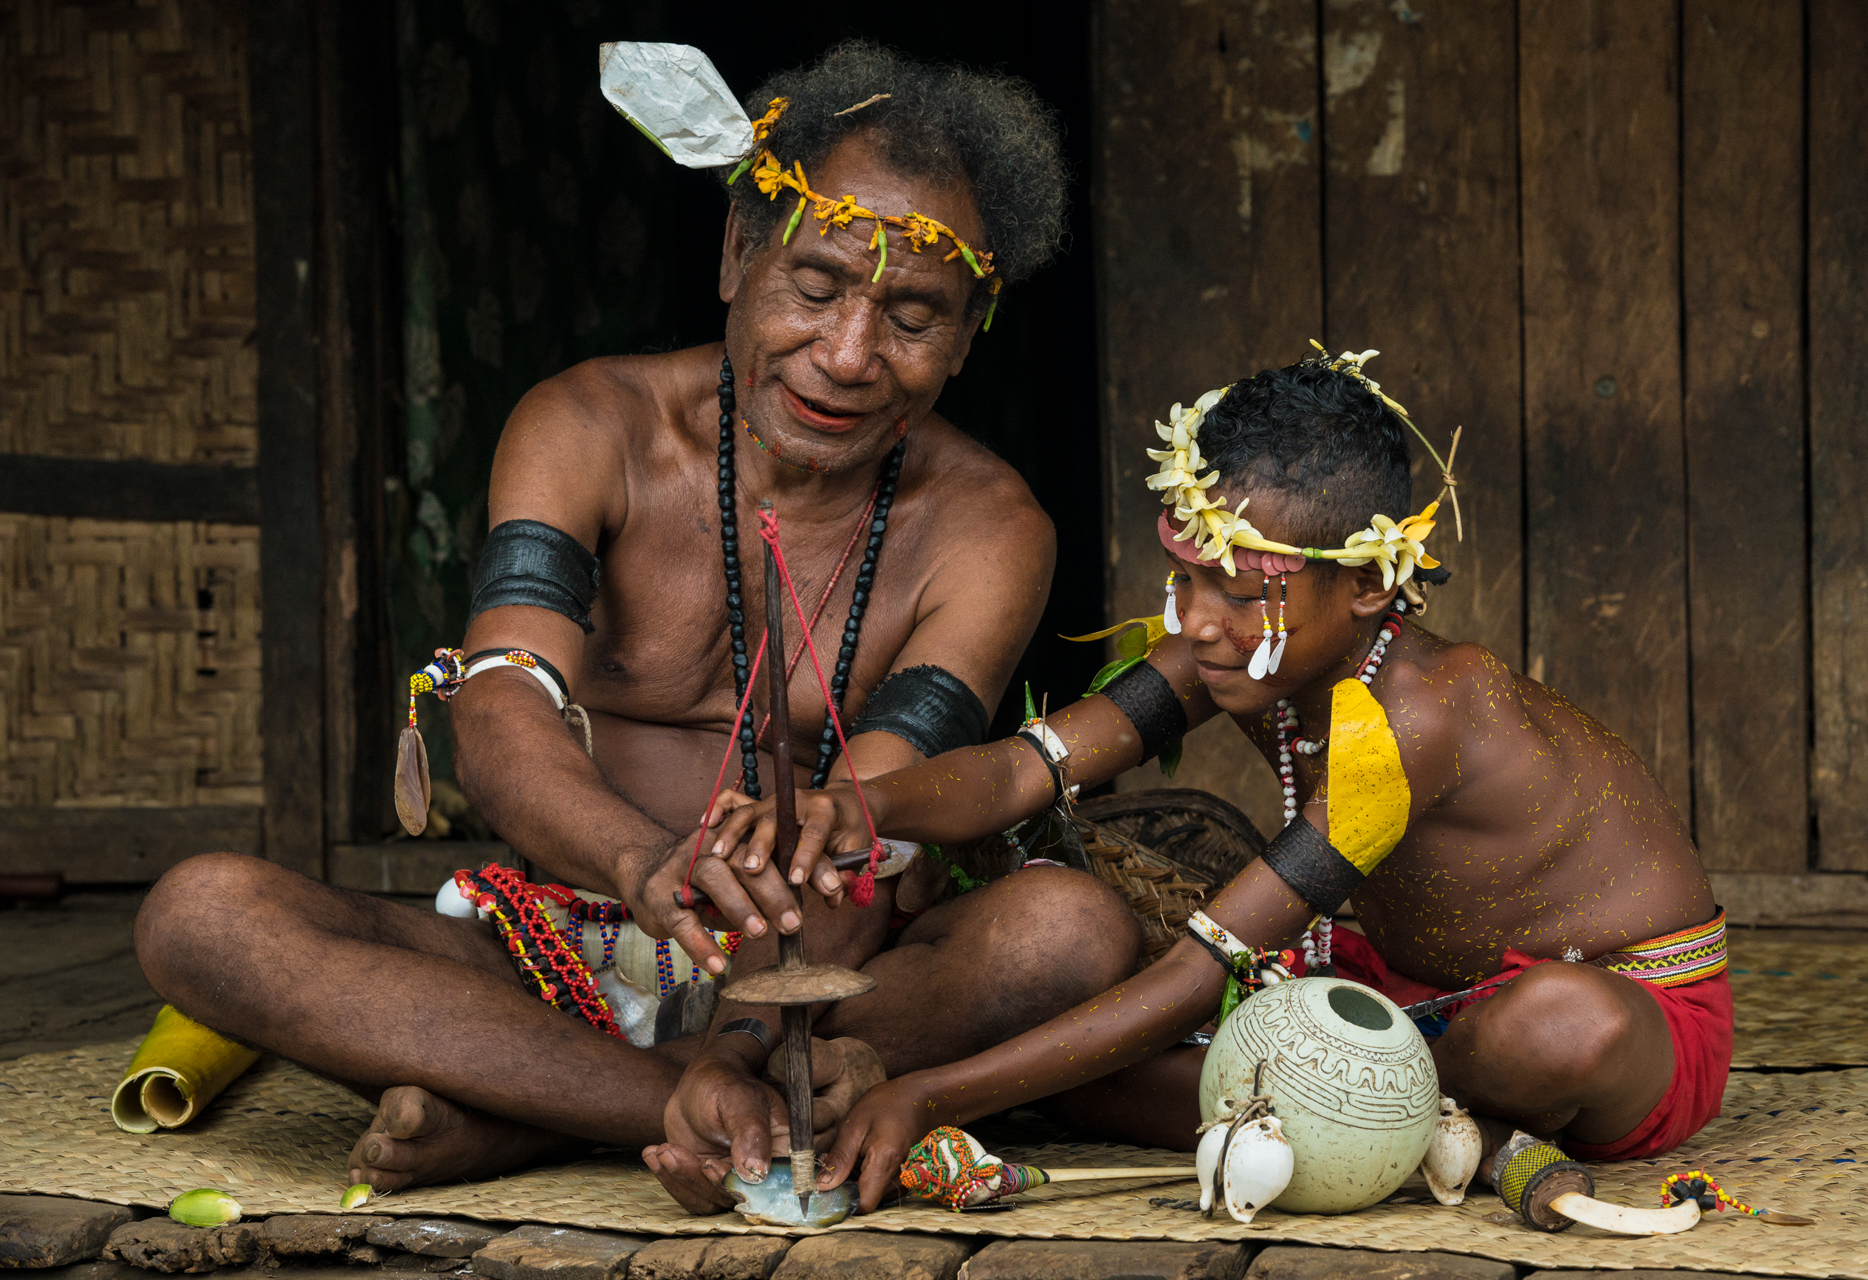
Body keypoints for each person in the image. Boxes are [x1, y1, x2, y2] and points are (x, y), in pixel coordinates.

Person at [131, 41, 1140, 1209]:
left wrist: (764, 970)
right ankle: (662, 1099)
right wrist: (638, 859)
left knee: (1068, 929)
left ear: (967, 336)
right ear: (737, 256)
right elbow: (502, 698)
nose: (850, 356)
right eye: (815, 289)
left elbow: (884, 794)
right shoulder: (587, 425)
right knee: (200, 914)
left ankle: (540, 1104)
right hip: (548, 944)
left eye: (912, 315)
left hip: (808, 976)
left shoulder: (990, 523)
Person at [704, 348, 1732, 1214]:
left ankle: (1420, 1111)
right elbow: (1030, 768)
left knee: (1553, 1028)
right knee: (1088, 1079)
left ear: (1370, 584)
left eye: (1239, 591)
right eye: (1184, 578)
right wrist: (862, 802)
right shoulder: (1239, 649)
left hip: (1633, 1008)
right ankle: (1398, 1119)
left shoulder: (1421, 716)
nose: (1197, 620)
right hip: (1388, 990)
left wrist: (928, 1093)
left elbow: (1198, 975)